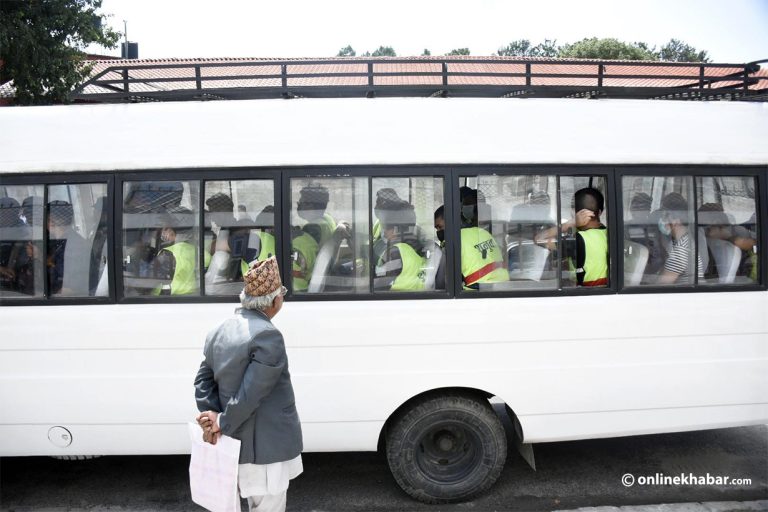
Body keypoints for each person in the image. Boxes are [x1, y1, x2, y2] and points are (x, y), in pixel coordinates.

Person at [194, 256, 303, 512]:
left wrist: (213, 418)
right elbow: (252, 393)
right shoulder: (268, 335)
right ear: (275, 301)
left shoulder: (219, 329)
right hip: (264, 449)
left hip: (232, 444)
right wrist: (220, 421)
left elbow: (202, 380)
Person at [373, 194, 426, 291]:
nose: (384, 232)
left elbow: (378, 286)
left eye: (386, 228)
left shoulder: (395, 253)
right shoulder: (413, 247)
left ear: (396, 229)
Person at [459, 189, 508, 289]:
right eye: (463, 205)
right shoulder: (469, 225)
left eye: (467, 204)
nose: (463, 208)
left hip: (486, 281)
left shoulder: (492, 227)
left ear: (476, 207)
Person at [291, 185, 336, 292]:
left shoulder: (312, 229)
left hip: (307, 279)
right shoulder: (327, 218)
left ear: (310, 206)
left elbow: (302, 260)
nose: (298, 205)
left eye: (300, 202)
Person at [656, 193, 703, 285]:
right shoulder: (684, 240)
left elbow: (660, 285)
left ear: (676, 220)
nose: (662, 219)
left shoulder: (682, 249)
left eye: (665, 216)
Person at [46, 200, 91, 296]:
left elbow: (72, 288)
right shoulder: (59, 241)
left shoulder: (76, 246)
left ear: (52, 222)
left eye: (46, 220)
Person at [153, 211, 198, 295]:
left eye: (166, 229)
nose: (163, 233)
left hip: (170, 297)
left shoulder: (166, 253)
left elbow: (160, 284)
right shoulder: (198, 251)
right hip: (193, 295)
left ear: (174, 230)